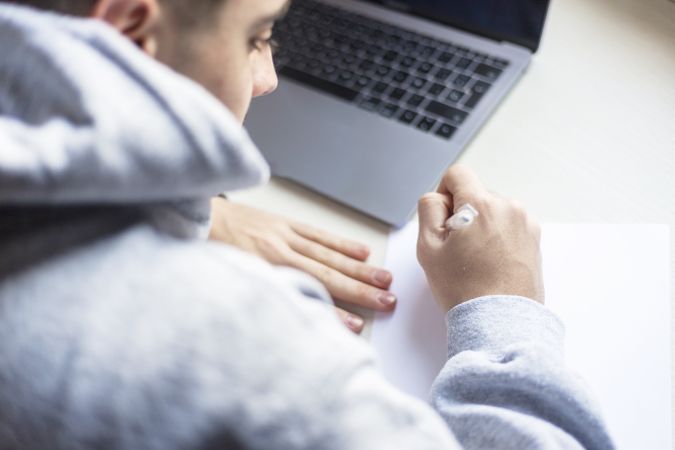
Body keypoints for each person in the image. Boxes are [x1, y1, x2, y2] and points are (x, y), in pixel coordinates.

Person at [0, 0, 615, 449]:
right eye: (256, 37)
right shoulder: (243, 348)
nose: (268, 80)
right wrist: (503, 307)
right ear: (133, 30)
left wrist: (184, 209)